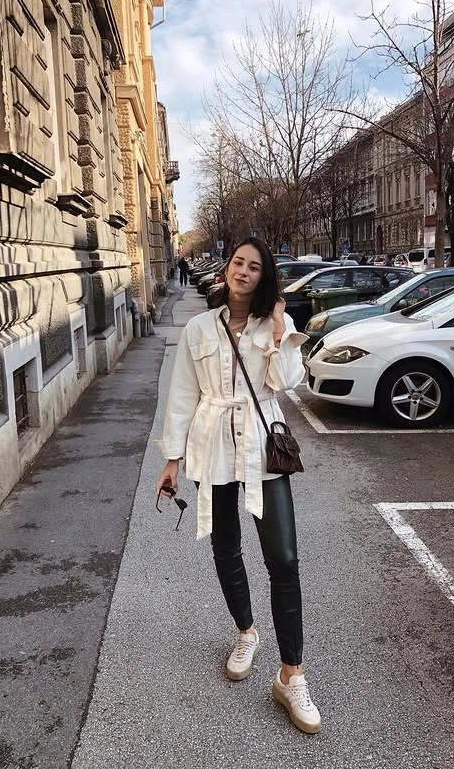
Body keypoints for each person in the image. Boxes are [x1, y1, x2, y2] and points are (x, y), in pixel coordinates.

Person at [155, 237, 321, 734]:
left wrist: (276, 329)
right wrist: (172, 459)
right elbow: (183, 392)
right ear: (227, 270)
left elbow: (287, 383)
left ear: (264, 276)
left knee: (284, 559)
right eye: (237, 263)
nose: (243, 272)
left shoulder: (277, 325)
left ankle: (291, 674)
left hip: (260, 449)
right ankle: (246, 633)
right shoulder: (198, 328)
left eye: (253, 267)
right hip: (212, 447)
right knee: (226, 550)